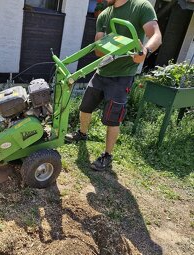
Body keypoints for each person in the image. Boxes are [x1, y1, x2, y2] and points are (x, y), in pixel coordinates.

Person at [65, 0, 162, 171]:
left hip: (122, 76)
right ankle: (82, 133)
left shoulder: (140, 7)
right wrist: (103, 43)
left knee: (112, 118)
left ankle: (107, 155)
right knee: (85, 107)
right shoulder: (105, 14)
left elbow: (156, 35)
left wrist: (144, 51)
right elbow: (98, 50)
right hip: (102, 71)